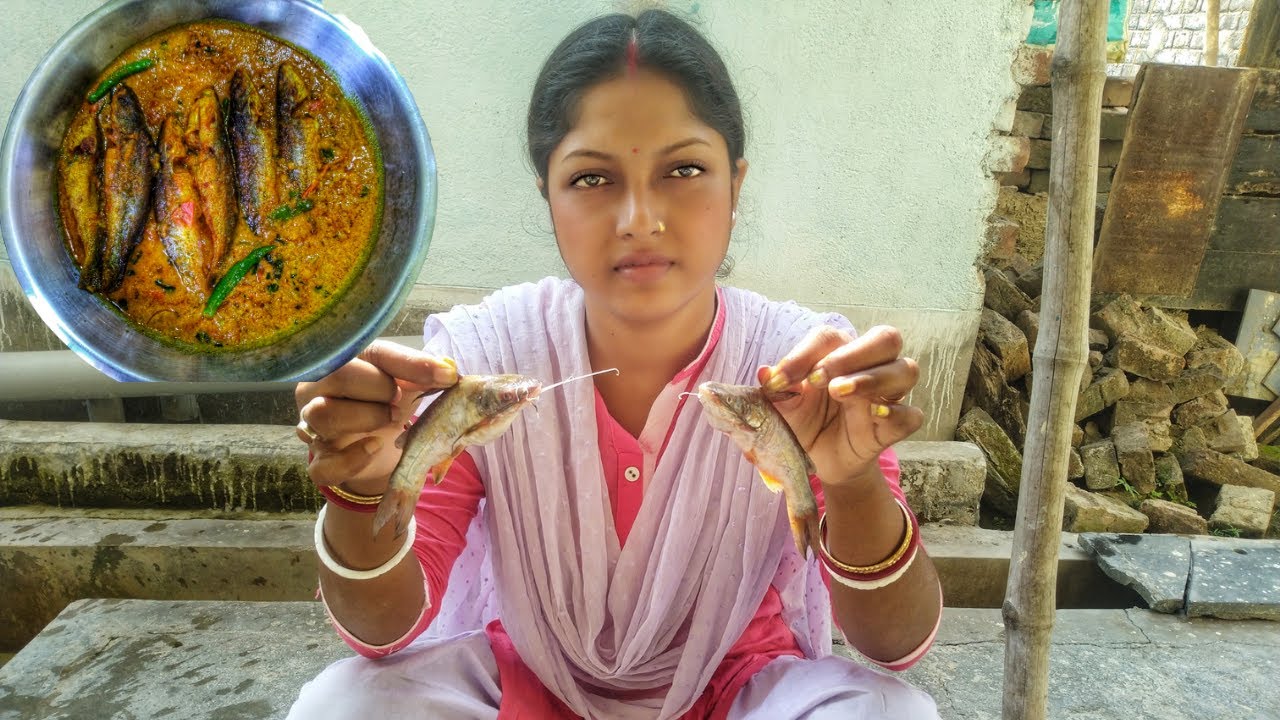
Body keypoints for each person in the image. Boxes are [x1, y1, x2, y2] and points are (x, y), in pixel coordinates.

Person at [288, 9, 942, 719]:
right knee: (343, 705)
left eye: (685, 169)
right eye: (593, 179)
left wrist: (847, 483)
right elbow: (382, 634)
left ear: (736, 183)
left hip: (737, 689)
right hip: (527, 681)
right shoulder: (485, 355)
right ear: (547, 193)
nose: (638, 217)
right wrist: (364, 487)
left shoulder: (800, 367)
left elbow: (894, 648)